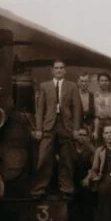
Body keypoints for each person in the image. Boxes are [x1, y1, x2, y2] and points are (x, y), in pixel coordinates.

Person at [31, 59, 83, 197]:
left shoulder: (72, 86)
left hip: (66, 125)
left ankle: (66, 188)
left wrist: (76, 128)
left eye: (61, 68)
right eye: (56, 68)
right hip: (49, 125)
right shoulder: (44, 86)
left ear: (65, 70)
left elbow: (77, 108)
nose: (59, 70)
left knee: (67, 158)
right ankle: (39, 188)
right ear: (52, 70)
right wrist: (38, 128)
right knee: (44, 157)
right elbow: (40, 108)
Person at [71, 126, 97, 221]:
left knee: (87, 211)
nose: (81, 137)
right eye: (80, 134)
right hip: (73, 182)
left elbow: (94, 168)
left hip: (86, 183)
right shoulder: (71, 148)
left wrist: (87, 179)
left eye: (84, 135)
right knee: (75, 211)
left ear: (88, 137)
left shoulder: (91, 150)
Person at [93, 72, 111, 145]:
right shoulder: (95, 96)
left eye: (106, 80)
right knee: (100, 147)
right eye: (102, 81)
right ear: (98, 82)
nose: (104, 83)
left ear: (109, 82)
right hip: (99, 124)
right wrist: (95, 130)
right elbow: (96, 115)